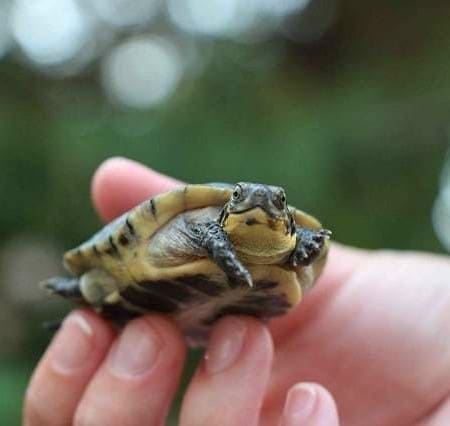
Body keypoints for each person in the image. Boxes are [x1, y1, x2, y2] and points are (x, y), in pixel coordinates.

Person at [24, 157, 450, 426]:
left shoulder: (293, 245)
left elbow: (311, 247)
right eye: (246, 198)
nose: (260, 201)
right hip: (146, 271)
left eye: (276, 201)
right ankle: (89, 291)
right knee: (97, 286)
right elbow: (206, 229)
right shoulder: (203, 220)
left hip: (218, 315)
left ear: (284, 219)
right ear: (229, 209)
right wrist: (221, 251)